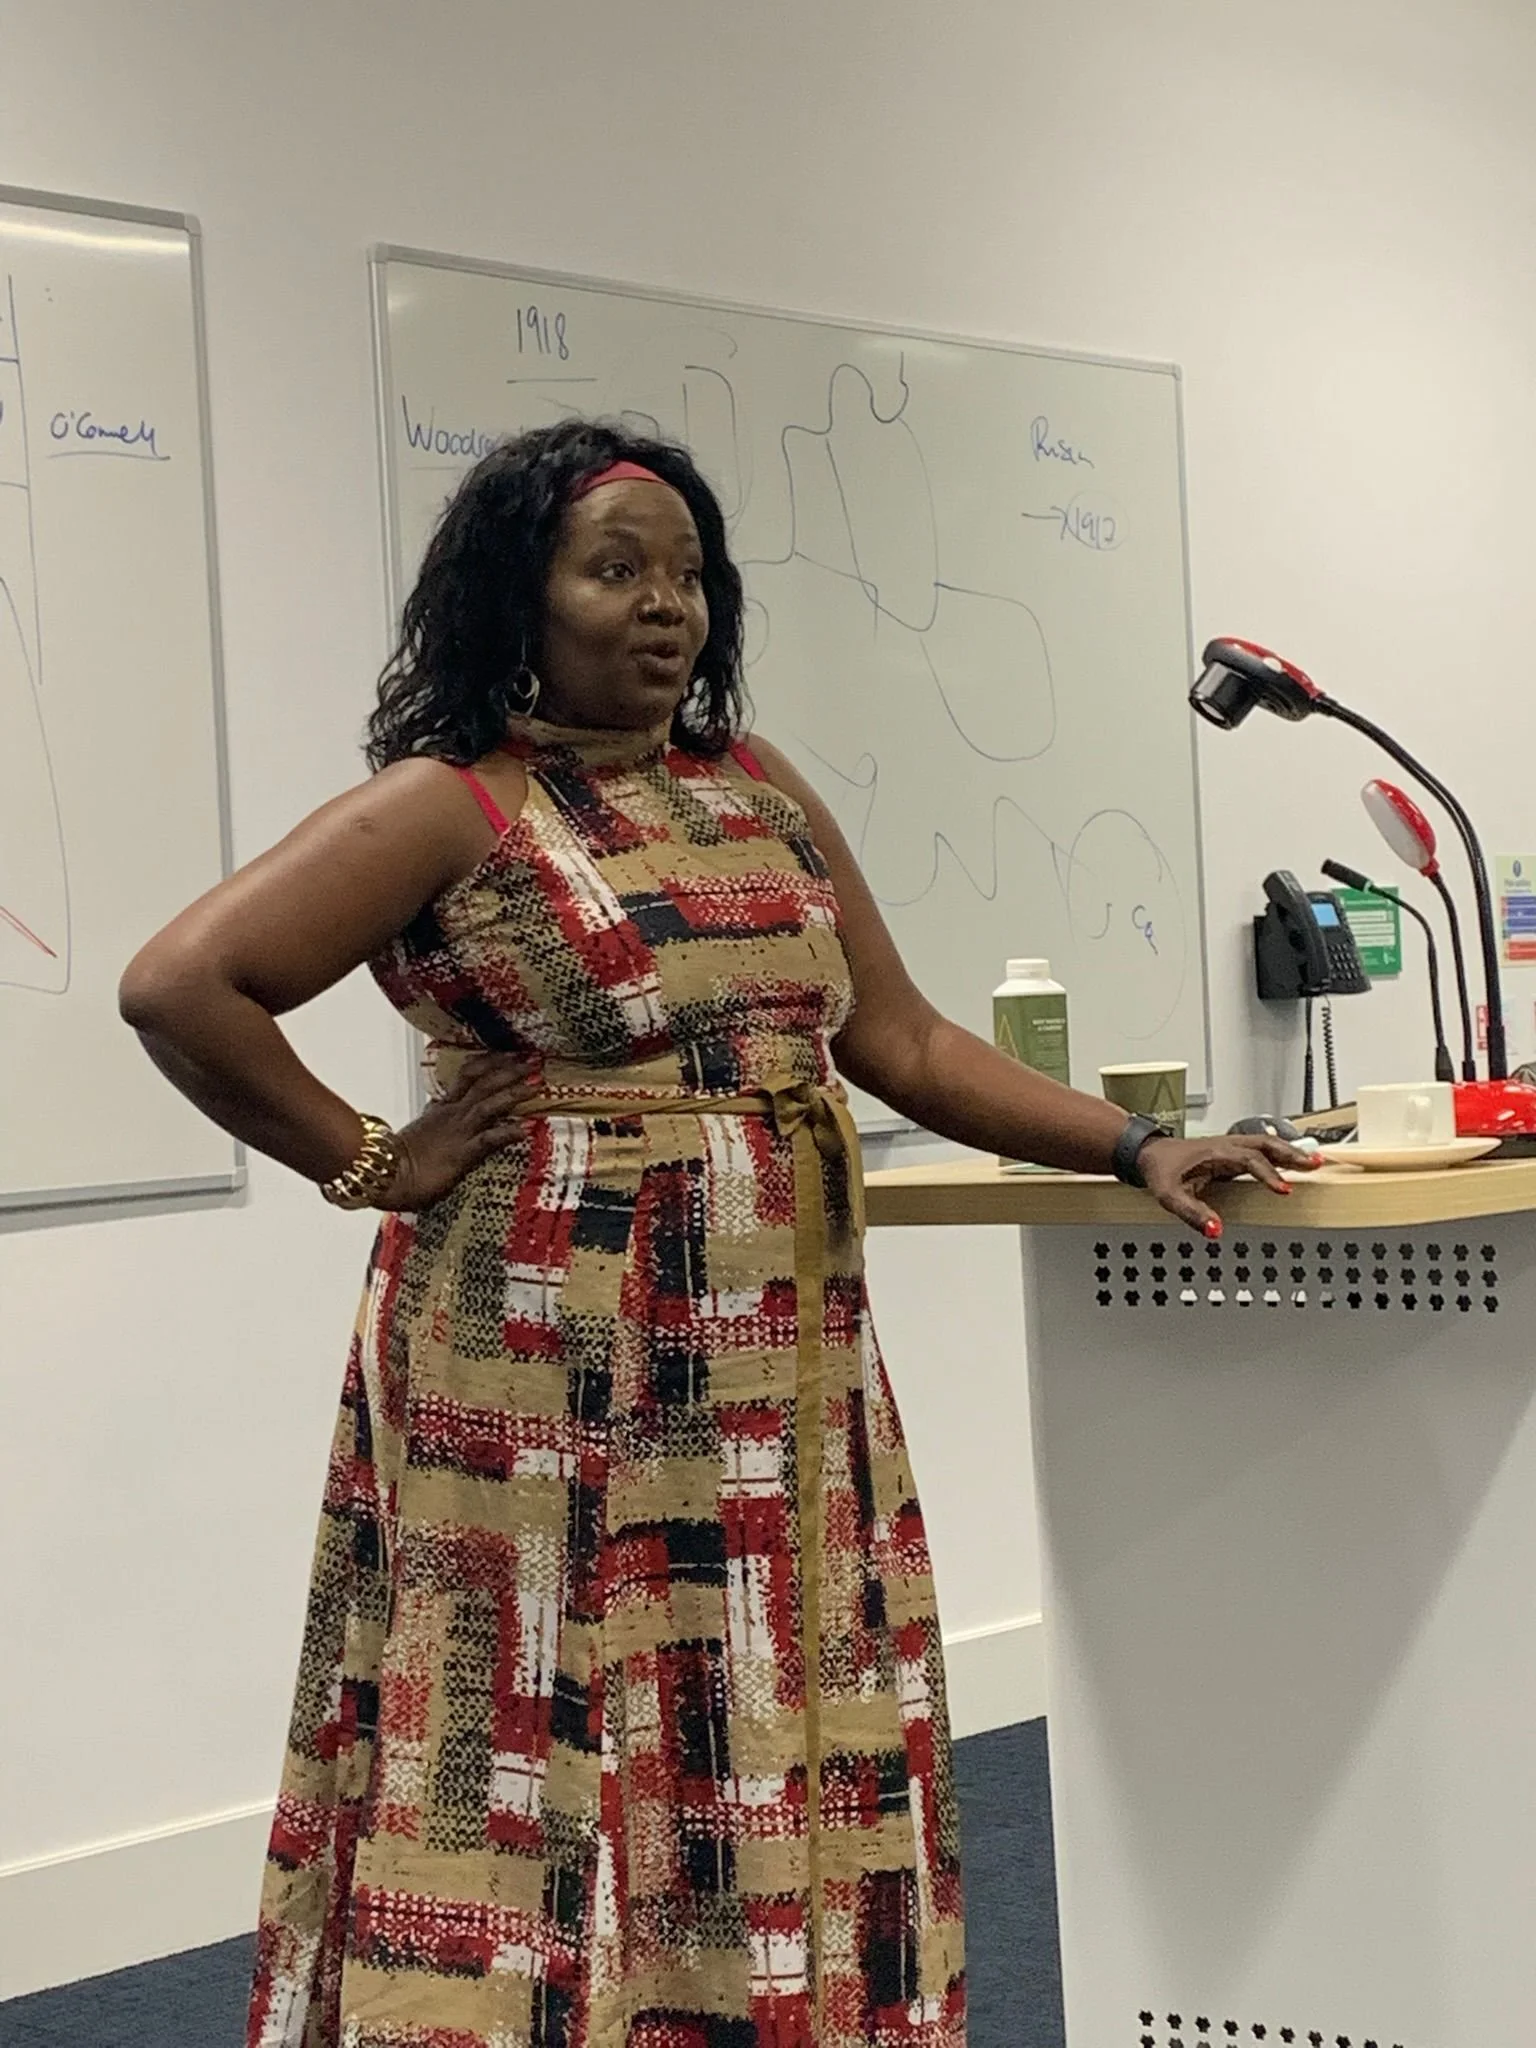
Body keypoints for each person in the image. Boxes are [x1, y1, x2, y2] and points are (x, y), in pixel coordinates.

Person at [120, 418, 1309, 2048]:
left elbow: (901, 1041)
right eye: (614, 570)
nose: (665, 605)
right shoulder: (451, 807)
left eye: (687, 574)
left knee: (752, 1687)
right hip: (544, 1354)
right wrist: (369, 1159)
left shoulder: (755, 787)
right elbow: (182, 986)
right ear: (517, 598)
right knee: (539, 1704)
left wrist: (1134, 1144)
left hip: (774, 1361)